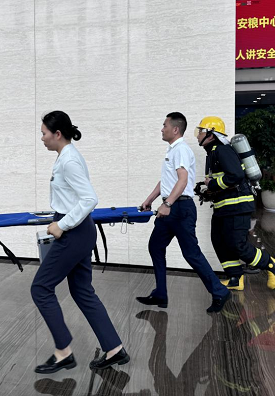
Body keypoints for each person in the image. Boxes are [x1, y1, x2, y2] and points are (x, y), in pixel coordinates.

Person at [31, 111, 129, 374]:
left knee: (40, 288)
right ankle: (114, 349)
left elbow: (89, 199)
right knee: (82, 291)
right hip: (80, 230)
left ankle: (63, 352)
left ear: (57, 134)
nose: (42, 138)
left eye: (44, 133)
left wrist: (61, 225)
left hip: (73, 233)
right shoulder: (66, 156)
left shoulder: (69, 160)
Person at [138, 112, 230, 313]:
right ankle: (160, 293)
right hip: (172, 207)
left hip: (179, 208)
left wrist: (167, 204)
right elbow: (167, 181)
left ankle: (219, 291)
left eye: (164, 125)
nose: (162, 129)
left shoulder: (180, 149)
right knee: (155, 246)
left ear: (175, 129)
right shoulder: (172, 150)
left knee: (191, 254)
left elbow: (182, 180)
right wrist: (149, 200)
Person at [195, 116, 275, 291]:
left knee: (237, 244)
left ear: (211, 134)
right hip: (223, 207)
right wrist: (208, 190)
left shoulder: (222, 150)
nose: (198, 135)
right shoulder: (212, 153)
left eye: (201, 131)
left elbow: (236, 175)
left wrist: (212, 185)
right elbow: (224, 179)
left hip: (237, 206)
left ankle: (271, 264)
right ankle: (235, 278)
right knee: (219, 241)